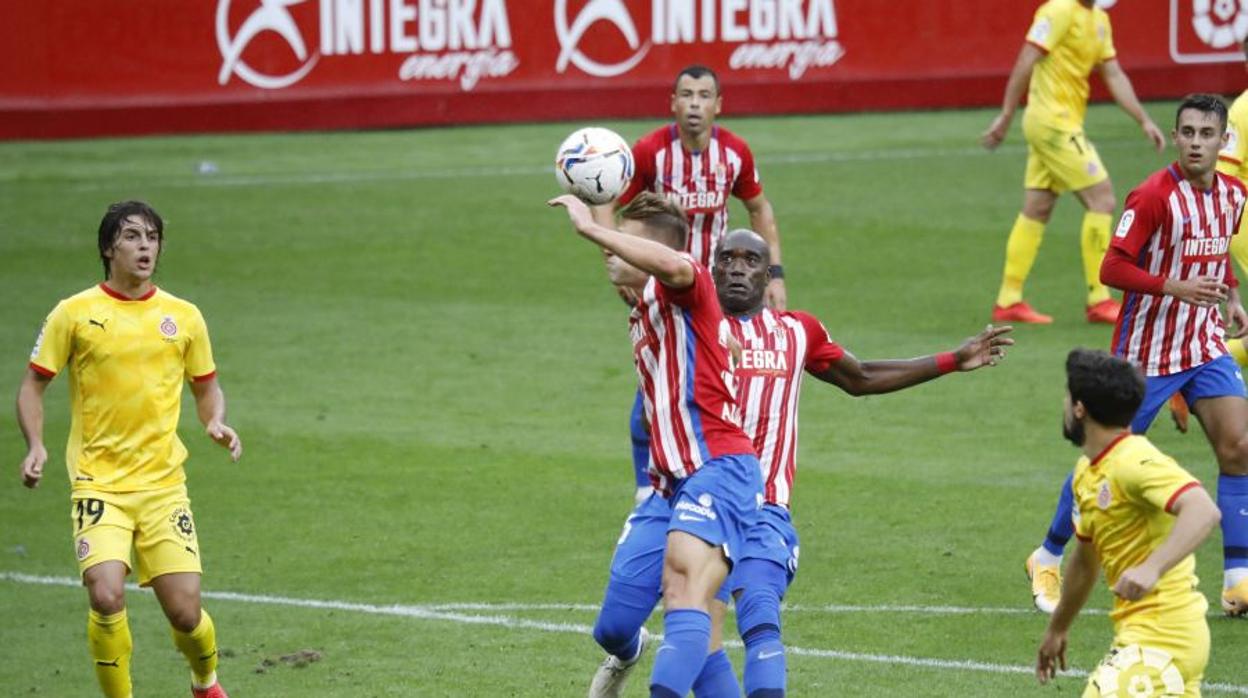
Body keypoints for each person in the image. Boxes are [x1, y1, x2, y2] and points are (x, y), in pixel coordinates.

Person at [585, 228, 1013, 697]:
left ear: (769, 276)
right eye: (727, 258)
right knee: (648, 626)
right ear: (712, 268)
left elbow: (862, 376)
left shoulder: (796, 332)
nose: (737, 268)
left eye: (751, 261)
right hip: (690, 494)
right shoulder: (686, 324)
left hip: (763, 505)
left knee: (756, 613)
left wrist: (953, 359)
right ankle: (628, 650)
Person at [1024, 95, 1248, 618]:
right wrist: (1174, 285)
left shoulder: (1233, 195)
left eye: (1205, 133)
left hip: (1204, 345)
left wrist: (1232, 296)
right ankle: (1047, 555)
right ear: (1176, 137)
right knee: (1105, 461)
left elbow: (1216, 252)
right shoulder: (1151, 195)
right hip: (1146, 353)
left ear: (1222, 141)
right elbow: (1112, 267)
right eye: (1187, 132)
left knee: (1239, 445)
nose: (1196, 142)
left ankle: (1238, 578)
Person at [16, 201, 241, 698]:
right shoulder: (73, 314)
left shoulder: (183, 317)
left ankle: (205, 683)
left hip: (163, 487)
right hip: (99, 483)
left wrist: (215, 421)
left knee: (185, 613)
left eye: (153, 238)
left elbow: (206, 386)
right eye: (133, 237)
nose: (146, 247)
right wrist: (36, 445)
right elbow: (33, 385)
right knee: (105, 593)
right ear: (107, 248)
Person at [550, 191, 764, 698]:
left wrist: (592, 228)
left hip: (719, 469)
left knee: (684, 596)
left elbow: (670, 263)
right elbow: (636, 267)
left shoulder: (686, 282)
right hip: (668, 487)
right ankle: (629, 651)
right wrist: (600, 203)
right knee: (614, 625)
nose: (611, 250)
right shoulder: (643, 299)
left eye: (625, 243)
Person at [592, 64, 787, 499]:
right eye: (686, 94)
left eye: (703, 96)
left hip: (714, 292)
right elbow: (608, 203)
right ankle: (654, 486)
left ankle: (727, 471)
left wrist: (774, 273)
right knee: (659, 378)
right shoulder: (650, 152)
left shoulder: (735, 154)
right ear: (672, 103)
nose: (694, 104)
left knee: (723, 377)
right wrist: (617, 260)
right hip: (660, 286)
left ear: (718, 105)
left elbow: (760, 209)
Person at [1036, 349, 1220, 697]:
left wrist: (1152, 567)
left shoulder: (1134, 459)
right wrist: (1056, 629)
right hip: (1147, 636)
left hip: (1165, 637)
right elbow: (1085, 561)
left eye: (1067, 398)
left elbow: (1202, 509)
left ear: (1080, 409)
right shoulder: (1086, 472)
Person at [982, 0, 1164, 325]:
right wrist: (1006, 114)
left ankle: (1008, 299)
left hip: (1060, 123)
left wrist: (1143, 120)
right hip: (1053, 123)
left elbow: (1113, 73)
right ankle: (1099, 298)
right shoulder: (1058, 11)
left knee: (1038, 206)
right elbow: (1027, 59)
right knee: (1103, 198)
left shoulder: (1099, 20)